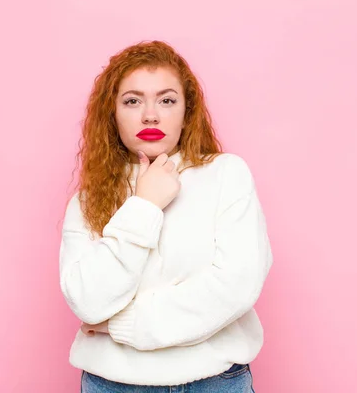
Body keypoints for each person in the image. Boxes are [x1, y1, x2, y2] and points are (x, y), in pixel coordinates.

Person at [59, 40, 273, 392]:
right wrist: (144, 205)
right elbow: (88, 301)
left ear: (187, 112)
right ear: (112, 114)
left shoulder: (226, 175)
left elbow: (236, 285)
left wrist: (121, 325)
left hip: (216, 383)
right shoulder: (86, 202)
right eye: (132, 101)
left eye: (167, 100)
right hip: (113, 385)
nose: (150, 115)